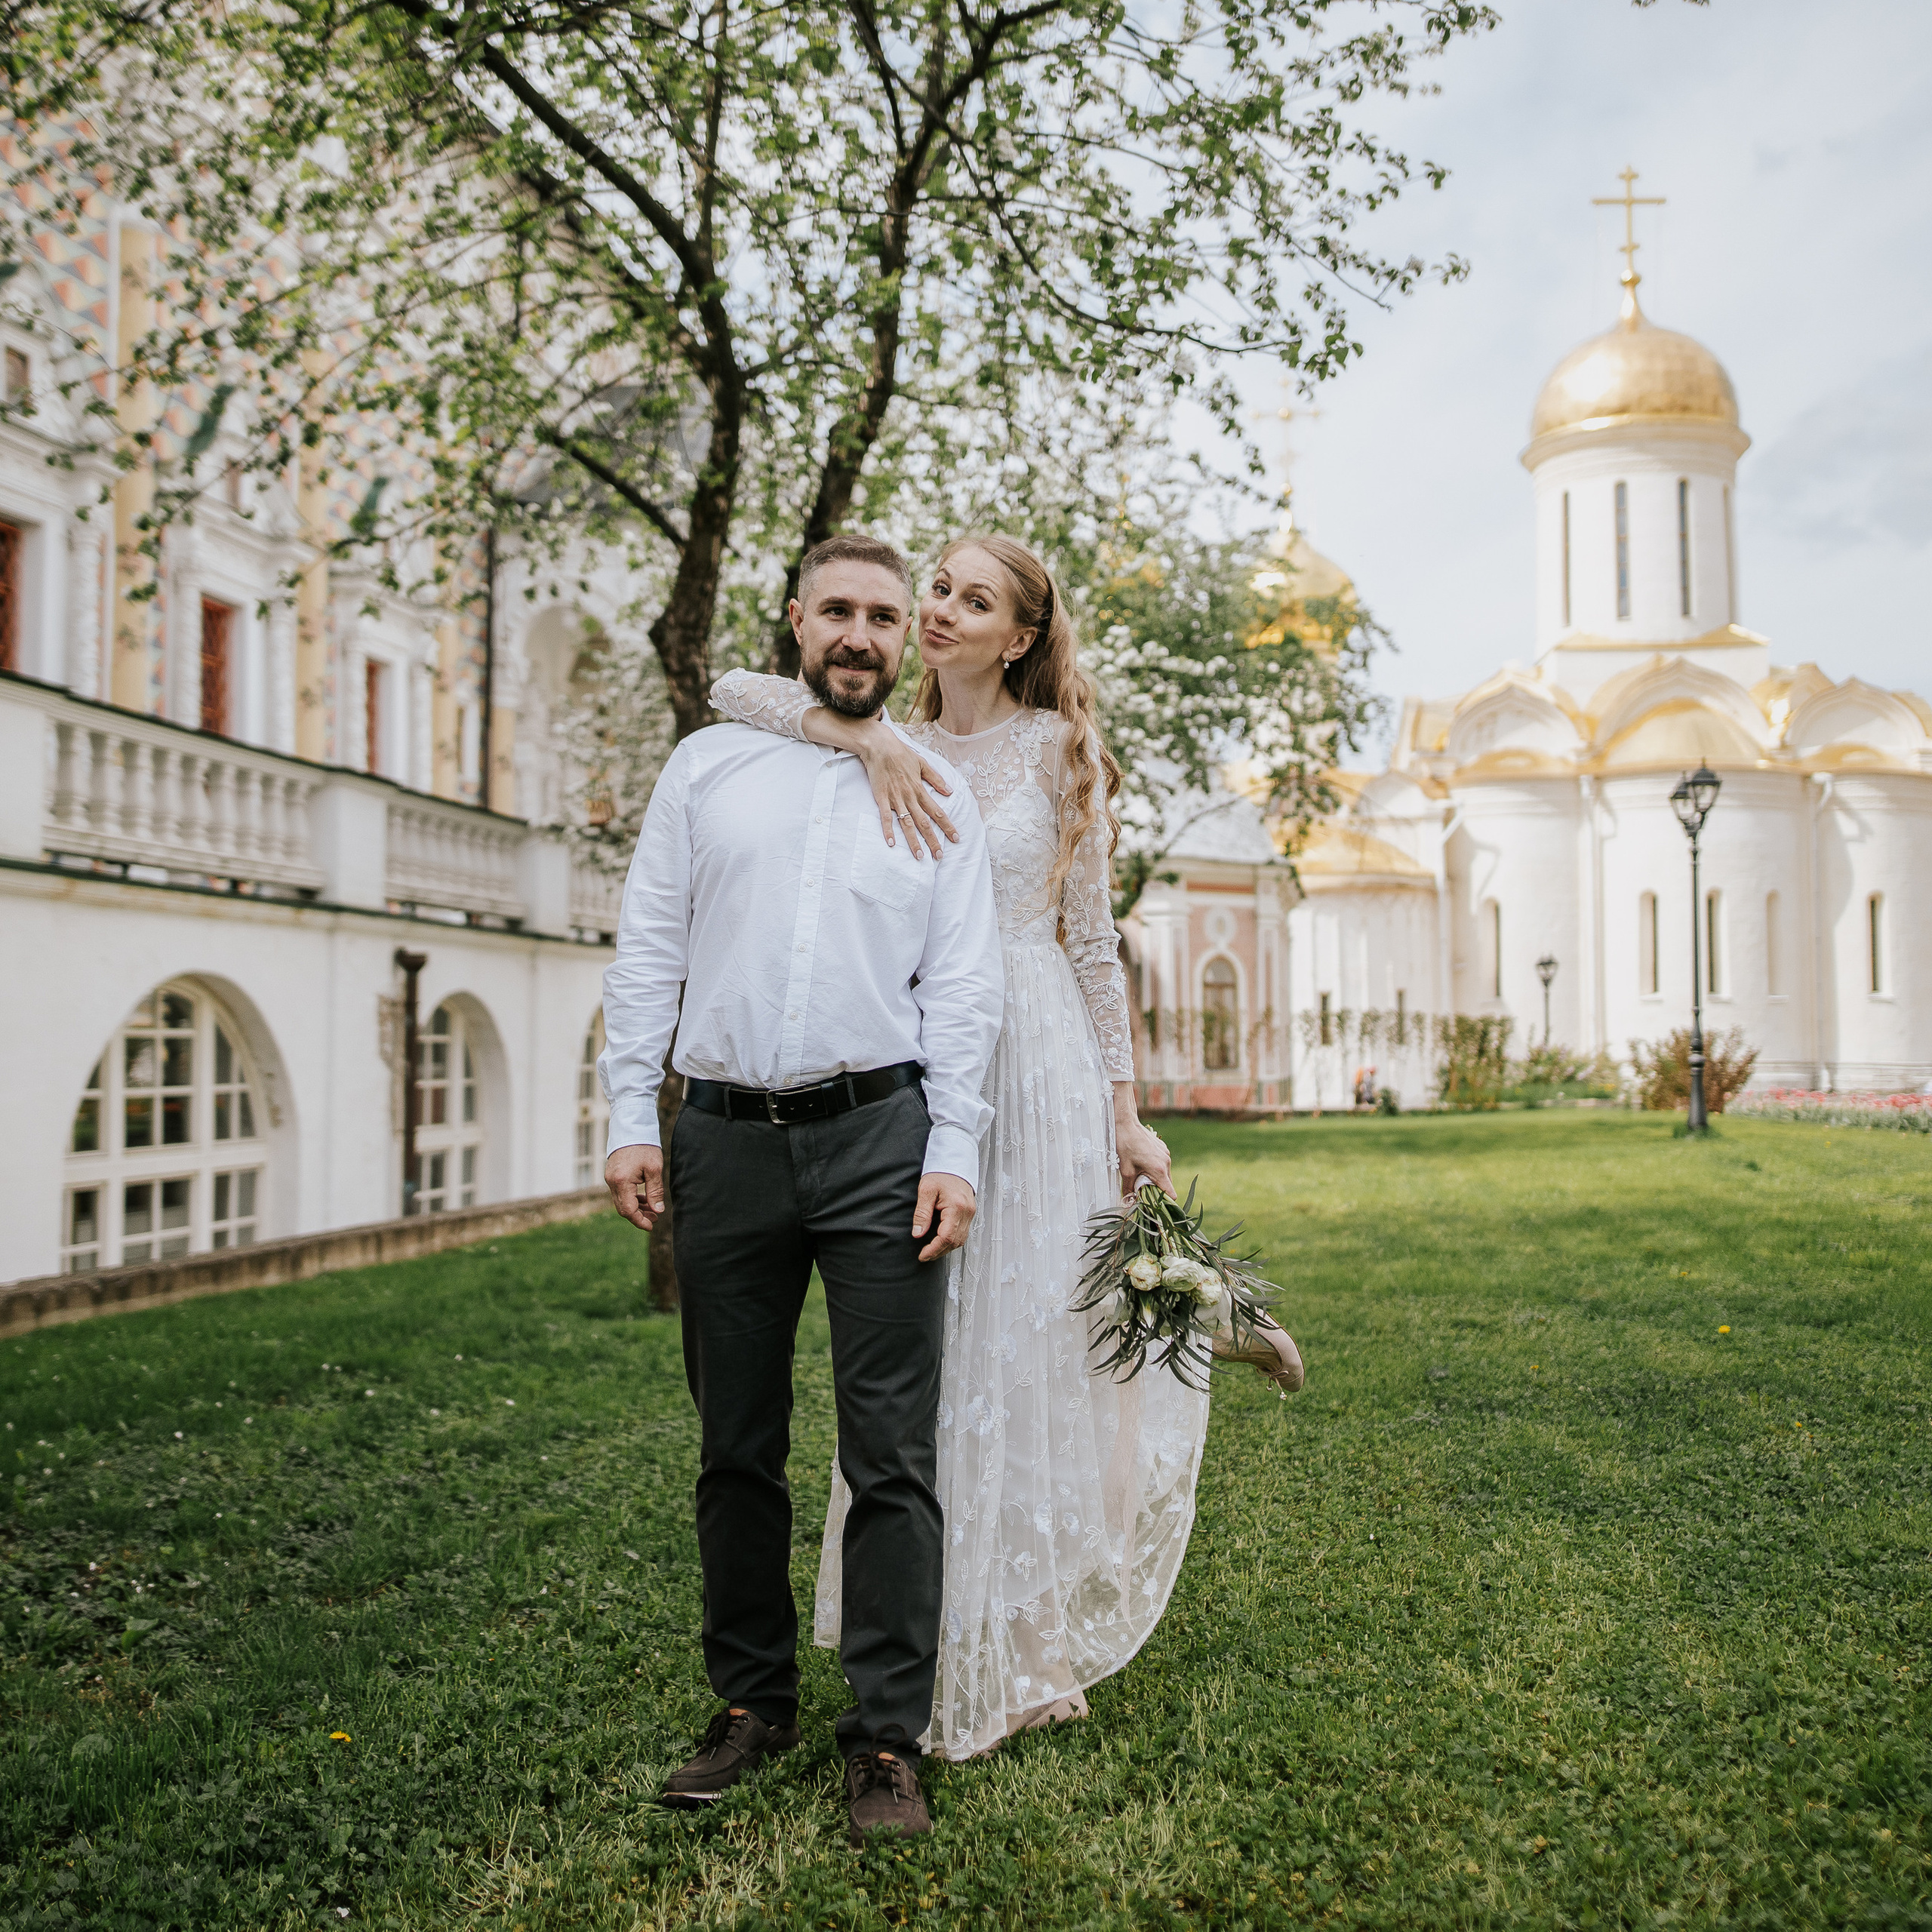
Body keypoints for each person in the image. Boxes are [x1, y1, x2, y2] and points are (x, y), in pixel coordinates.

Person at [711, 533, 1305, 1764]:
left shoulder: (1057, 750)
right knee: (928, 1352)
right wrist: (860, 738)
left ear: (1020, 636)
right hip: (920, 1054)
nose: (937, 613)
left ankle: (1031, 1639)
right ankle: (920, 1629)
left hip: (1036, 1058)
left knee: (1033, 1338)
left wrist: (1126, 1111)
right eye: (935, 588)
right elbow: (734, 689)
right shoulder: (882, 732)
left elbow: (1091, 944)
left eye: (971, 601)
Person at [600, 534, 1004, 1846]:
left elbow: (964, 985)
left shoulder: (939, 789)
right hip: (723, 1139)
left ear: (903, 637)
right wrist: (630, 1114)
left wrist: (954, 1147)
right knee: (736, 1444)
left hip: (882, 1136)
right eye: (838, 610)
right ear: (797, 620)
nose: (861, 635)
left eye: (885, 616)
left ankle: (886, 1737)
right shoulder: (708, 767)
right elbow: (649, 941)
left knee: (892, 1453)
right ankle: (748, 1703)